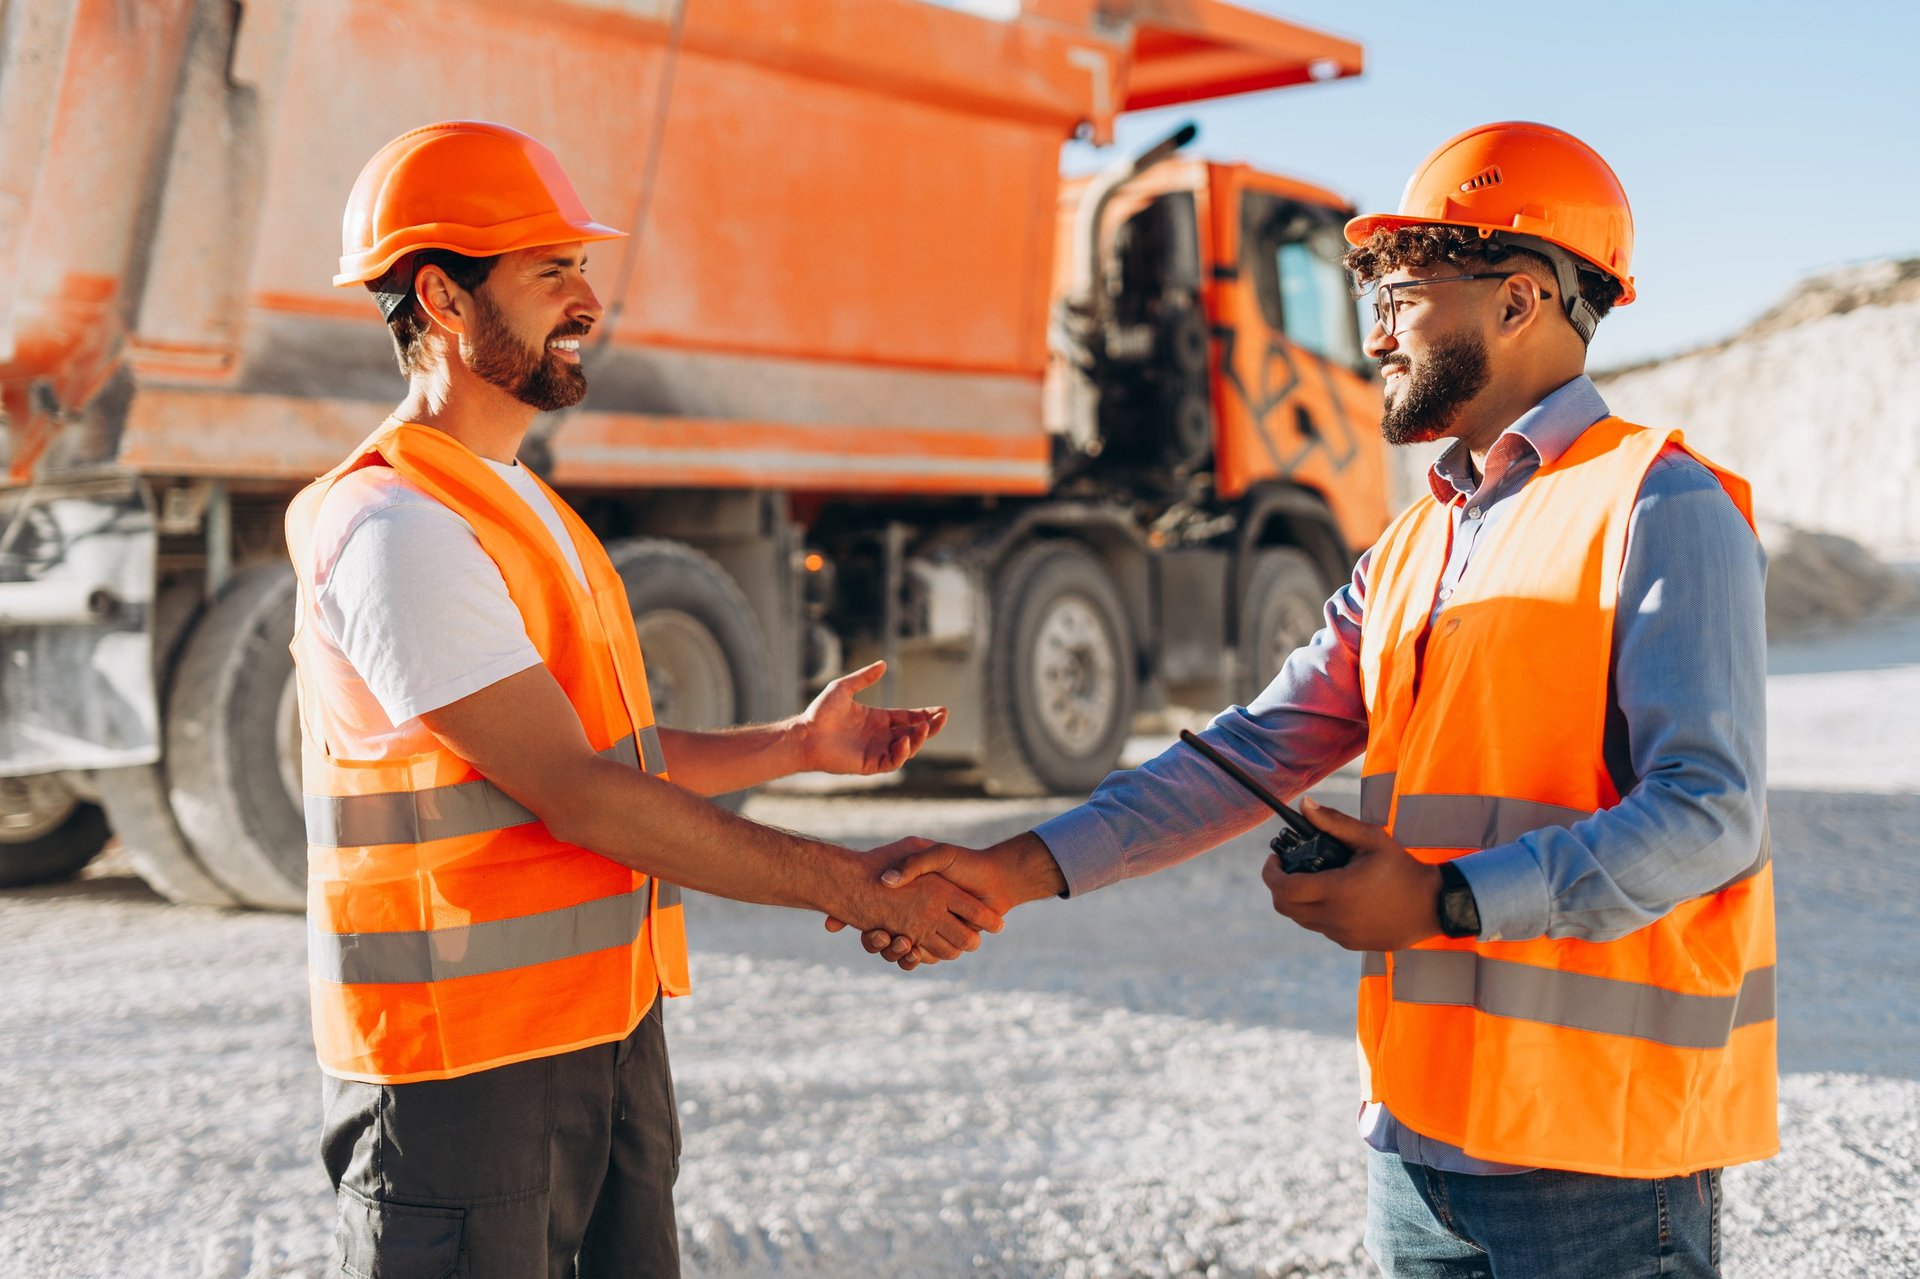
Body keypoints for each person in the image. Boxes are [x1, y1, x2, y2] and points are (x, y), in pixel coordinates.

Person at [858, 122, 1777, 1277]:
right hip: (1418, 1142)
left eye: (1405, 290)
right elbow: (1249, 749)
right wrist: (1016, 869)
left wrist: (1445, 901)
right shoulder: (1413, 543)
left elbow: (1709, 812)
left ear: (1519, 299)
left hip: (1595, 1157)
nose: (1377, 331)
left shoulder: (1660, 505)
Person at [289, 120, 1001, 1279]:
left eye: (582, 267)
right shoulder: (395, 527)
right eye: (550, 270)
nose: (588, 300)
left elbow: (598, 754)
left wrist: (795, 743)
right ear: (445, 297)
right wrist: (859, 885)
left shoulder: (518, 505)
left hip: (599, 1035)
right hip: (461, 1070)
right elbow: (579, 797)